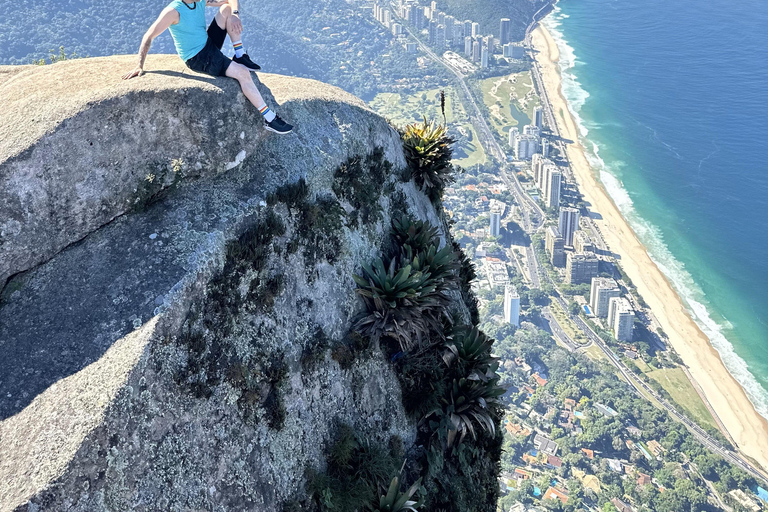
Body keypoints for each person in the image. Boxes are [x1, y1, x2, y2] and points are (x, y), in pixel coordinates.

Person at [123, 0, 293, 134]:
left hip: (208, 43)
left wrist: (234, 14)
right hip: (198, 57)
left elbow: (229, 0)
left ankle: (240, 54)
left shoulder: (197, 1)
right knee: (243, 73)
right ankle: (270, 119)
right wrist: (139, 65)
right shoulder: (173, 11)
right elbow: (148, 35)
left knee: (226, 9)